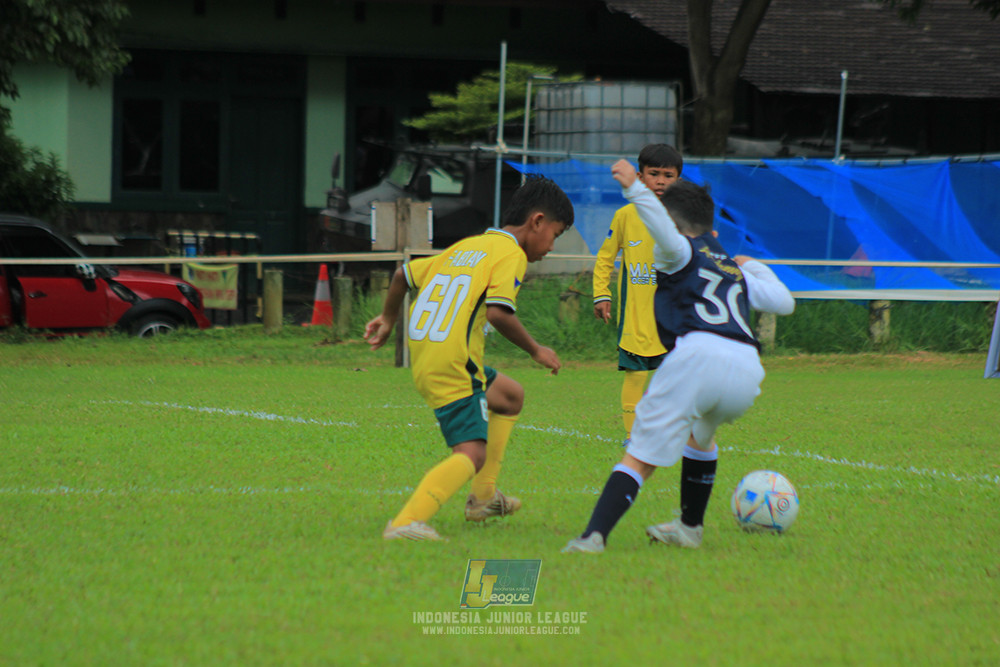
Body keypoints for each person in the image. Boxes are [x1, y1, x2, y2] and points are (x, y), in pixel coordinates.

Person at [563, 160, 795, 553]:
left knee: (640, 455)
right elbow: (784, 302)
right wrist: (751, 264)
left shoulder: (678, 252)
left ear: (673, 225)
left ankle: (592, 537)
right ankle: (689, 529)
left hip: (698, 357)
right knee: (701, 438)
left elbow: (661, 228)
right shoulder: (729, 266)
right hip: (747, 370)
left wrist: (634, 187)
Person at [365, 176, 574, 541]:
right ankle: (406, 522)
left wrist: (389, 318)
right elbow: (499, 313)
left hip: (431, 355)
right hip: (453, 363)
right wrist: (537, 350)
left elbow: (403, 274)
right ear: (537, 221)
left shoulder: (471, 246)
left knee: (509, 396)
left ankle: (483, 498)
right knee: (472, 453)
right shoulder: (511, 255)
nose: (552, 247)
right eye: (555, 235)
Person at [592, 144, 683, 443]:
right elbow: (606, 257)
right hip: (636, 314)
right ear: (640, 177)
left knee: (676, 376)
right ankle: (633, 436)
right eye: (653, 174)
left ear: (678, 179)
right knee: (636, 374)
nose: (660, 181)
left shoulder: (683, 216)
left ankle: (672, 429)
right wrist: (601, 293)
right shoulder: (625, 216)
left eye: (668, 175)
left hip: (675, 313)